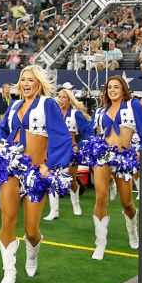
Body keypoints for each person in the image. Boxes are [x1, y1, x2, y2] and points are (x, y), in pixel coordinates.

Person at [0, 64, 72, 283]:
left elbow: (62, 137)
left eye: (30, 80)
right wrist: (0, 146)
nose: (25, 84)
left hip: (36, 172)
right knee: (7, 220)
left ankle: (32, 251)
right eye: (23, 80)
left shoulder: (48, 105)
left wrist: (50, 164)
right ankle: (9, 272)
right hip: (12, 169)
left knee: (31, 230)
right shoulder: (14, 105)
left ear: (39, 84)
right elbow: (1, 130)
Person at [80, 76, 142, 258]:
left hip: (124, 157)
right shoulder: (100, 111)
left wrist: (140, 151)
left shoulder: (133, 105)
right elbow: (94, 133)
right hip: (103, 157)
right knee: (101, 197)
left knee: (127, 202)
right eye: (109, 87)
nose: (112, 90)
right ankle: (100, 243)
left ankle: (133, 231)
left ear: (123, 90)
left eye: (116, 87)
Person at [53, 86, 91, 218]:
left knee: (71, 179)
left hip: (70, 151)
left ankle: (76, 204)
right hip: (55, 151)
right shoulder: (53, 113)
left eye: (64, 97)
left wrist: (79, 146)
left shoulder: (75, 114)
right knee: (53, 179)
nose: (61, 100)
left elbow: (88, 132)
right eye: (59, 97)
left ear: (69, 100)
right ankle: (54, 211)